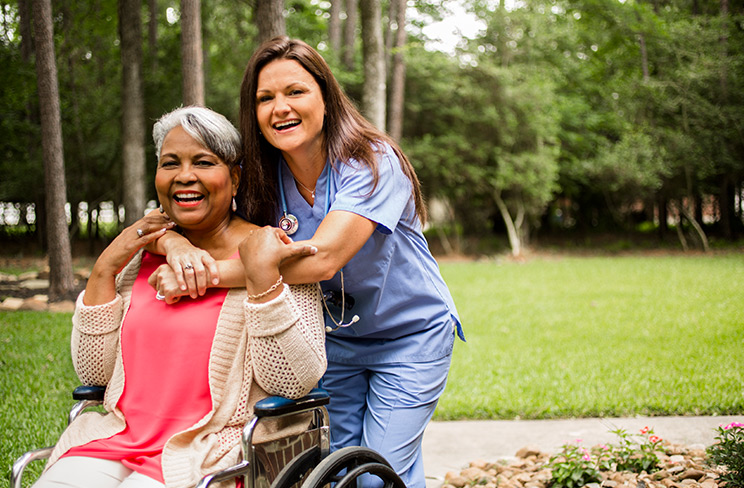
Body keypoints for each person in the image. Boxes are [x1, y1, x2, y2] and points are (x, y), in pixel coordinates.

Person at [152, 37, 464, 488]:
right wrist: (176, 247)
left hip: (408, 336)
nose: (280, 107)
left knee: (377, 475)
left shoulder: (373, 162)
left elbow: (323, 258)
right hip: (332, 342)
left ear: (326, 97)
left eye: (295, 91)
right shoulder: (262, 178)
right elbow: (180, 207)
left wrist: (206, 276)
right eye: (265, 98)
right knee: (335, 474)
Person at [33, 106, 327, 488]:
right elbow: (94, 375)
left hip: (210, 450)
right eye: (170, 163)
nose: (184, 176)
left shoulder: (270, 252)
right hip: (114, 440)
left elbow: (293, 383)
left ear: (235, 179)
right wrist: (105, 268)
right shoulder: (138, 258)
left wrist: (263, 283)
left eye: (203, 162)